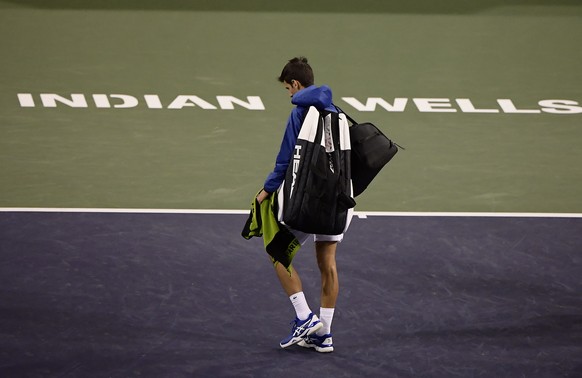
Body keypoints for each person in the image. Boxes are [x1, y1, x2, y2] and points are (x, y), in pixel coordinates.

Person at [256, 57, 347, 353]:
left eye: (288, 89)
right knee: (328, 265)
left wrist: (265, 191)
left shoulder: (299, 112)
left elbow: (285, 160)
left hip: (308, 201)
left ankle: (304, 317)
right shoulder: (336, 112)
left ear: (296, 84)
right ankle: (325, 334)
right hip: (339, 200)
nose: (289, 95)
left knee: (278, 253)